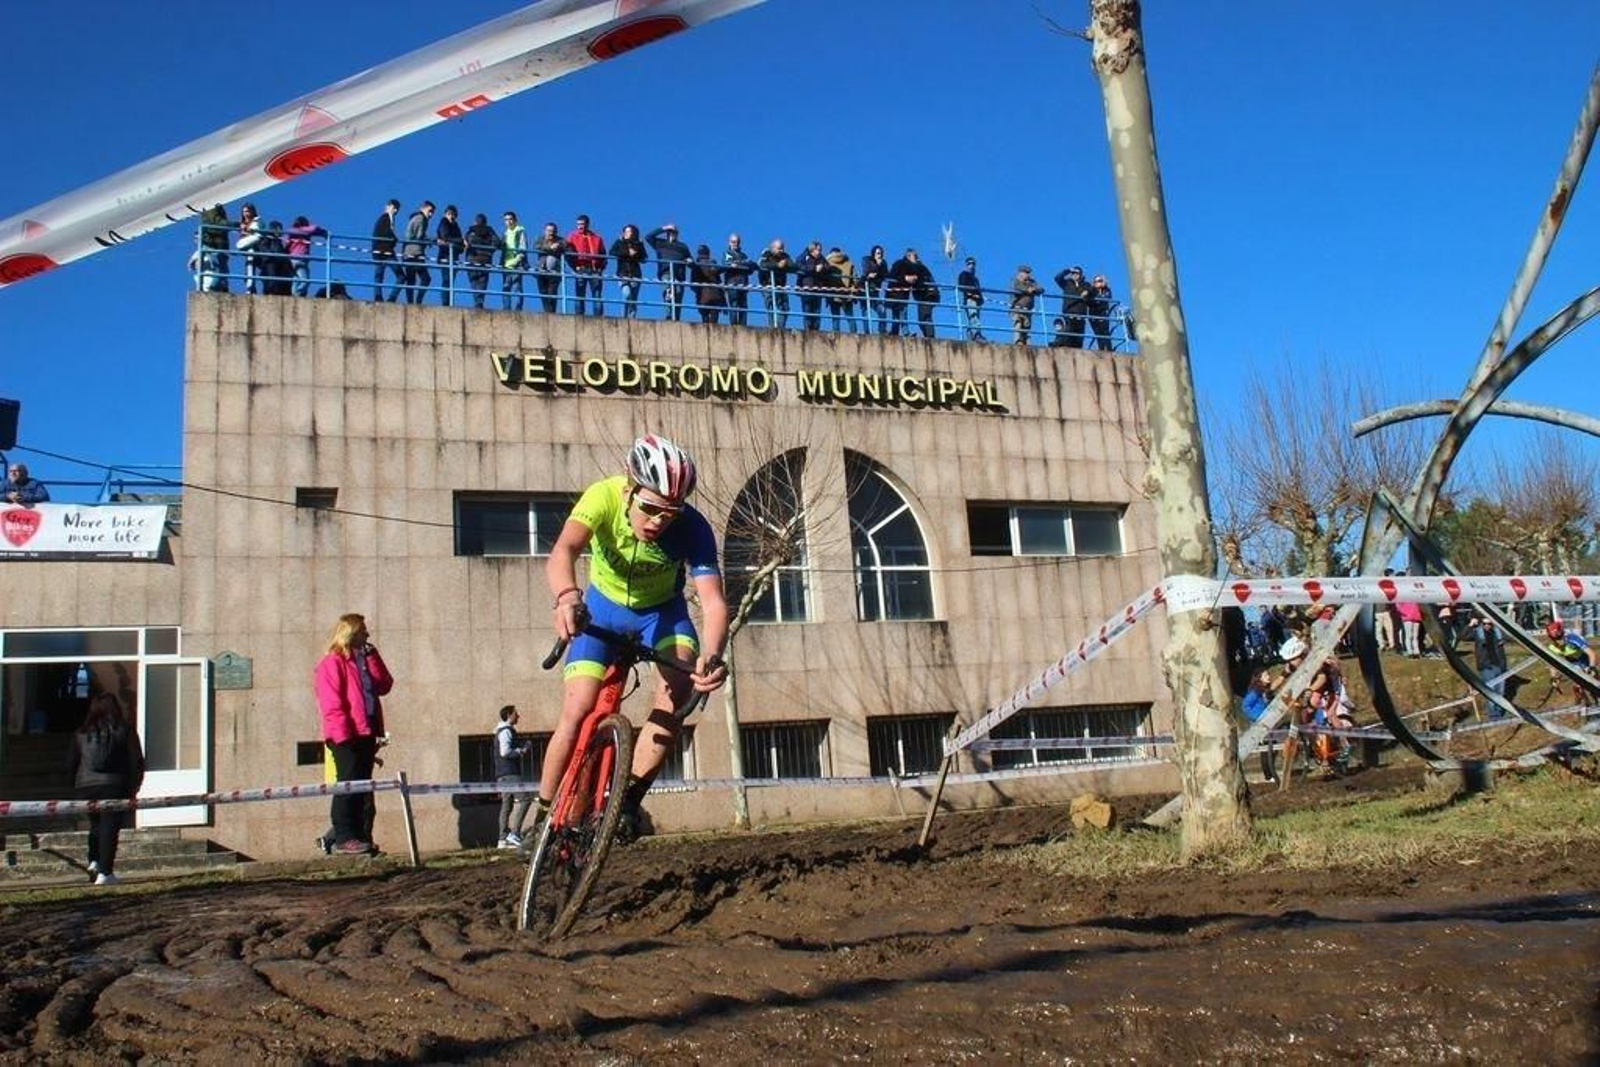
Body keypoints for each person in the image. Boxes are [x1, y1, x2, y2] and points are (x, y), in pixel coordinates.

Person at [539, 435, 729, 839]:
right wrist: (567, 597)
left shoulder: (693, 527)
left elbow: (713, 604)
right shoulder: (603, 497)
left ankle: (626, 801)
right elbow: (563, 551)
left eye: (670, 513)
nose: (659, 521)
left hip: (661, 615)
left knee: (677, 692)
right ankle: (542, 819)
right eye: (650, 508)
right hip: (602, 609)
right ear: (629, 489)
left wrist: (712, 655)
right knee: (578, 708)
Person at [313, 613, 394, 855]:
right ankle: (343, 837)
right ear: (351, 633)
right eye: (363, 631)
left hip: (366, 732)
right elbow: (332, 703)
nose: (367, 634)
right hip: (346, 735)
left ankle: (359, 836)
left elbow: (384, 685)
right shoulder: (332, 663)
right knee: (347, 785)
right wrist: (342, 734)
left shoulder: (363, 662)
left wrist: (373, 657)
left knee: (361, 788)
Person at [69, 692, 144, 886]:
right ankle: (105, 872)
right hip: (114, 786)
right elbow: (136, 760)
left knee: (95, 824)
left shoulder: (81, 733)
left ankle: (94, 860)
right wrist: (134, 786)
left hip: (85, 786)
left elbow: (72, 763)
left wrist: (75, 787)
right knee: (109, 828)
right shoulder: (125, 730)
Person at [494, 705, 533, 848]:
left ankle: (503, 838)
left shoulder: (500, 731)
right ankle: (515, 833)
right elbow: (505, 752)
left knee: (507, 804)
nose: (518, 716)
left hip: (502, 774)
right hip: (510, 773)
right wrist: (521, 750)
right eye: (516, 714)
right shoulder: (506, 731)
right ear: (509, 715)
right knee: (526, 799)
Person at [1543, 618, 1597, 706]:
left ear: (1563, 634)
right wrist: (1554, 678)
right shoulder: (1552, 647)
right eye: (1555, 639)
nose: (1559, 642)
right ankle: (1583, 703)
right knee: (1578, 686)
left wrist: (1592, 668)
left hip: (1585, 659)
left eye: (1560, 638)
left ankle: (1594, 697)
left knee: (1594, 682)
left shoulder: (1573, 639)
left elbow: (1591, 654)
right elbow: (1552, 665)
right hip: (1572, 663)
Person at [646, 224, 693, 321]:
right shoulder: (660, 243)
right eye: (670, 231)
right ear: (666, 233)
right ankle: (668, 316)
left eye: (674, 232)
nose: (672, 234)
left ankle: (676, 319)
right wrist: (663, 228)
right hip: (666, 272)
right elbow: (648, 237)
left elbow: (691, 261)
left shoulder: (683, 246)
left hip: (679, 276)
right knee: (668, 292)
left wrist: (690, 261)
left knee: (678, 295)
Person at [887, 248, 935, 338]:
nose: (917, 258)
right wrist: (905, 278)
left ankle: (894, 333)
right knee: (901, 312)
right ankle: (905, 333)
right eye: (915, 256)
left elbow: (920, 278)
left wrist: (915, 278)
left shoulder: (914, 267)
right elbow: (892, 275)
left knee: (897, 314)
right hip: (895, 293)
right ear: (908, 256)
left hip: (903, 294)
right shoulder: (899, 263)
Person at [1240, 668, 1278, 783]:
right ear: (1259, 678)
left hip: (1268, 724)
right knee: (1266, 750)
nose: (1269, 677)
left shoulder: (1264, 692)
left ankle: (1271, 773)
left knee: (1272, 749)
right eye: (1265, 675)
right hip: (1260, 725)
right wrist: (1258, 717)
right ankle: (1268, 776)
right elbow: (1245, 706)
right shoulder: (1254, 692)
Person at [566, 214, 606, 316]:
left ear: (587, 224)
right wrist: (574, 266)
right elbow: (568, 253)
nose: (580, 226)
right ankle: (579, 317)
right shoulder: (572, 237)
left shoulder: (597, 238)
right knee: (580, 294)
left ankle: (598, 318)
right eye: (578, 224)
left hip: (594, 269)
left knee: (597, 294)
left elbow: (603, 255)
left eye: (582, 224)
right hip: (580, 268)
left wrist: (600, 268)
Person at [1469, 614, 1509, 709]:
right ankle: (1493, 714)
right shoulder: (1477, 633)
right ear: (1481, 624)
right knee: (1491, 692)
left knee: (1500, 692)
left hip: (1499, 666)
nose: (1487, 625)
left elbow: (1509, 636)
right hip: (1486, 667)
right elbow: (1462, 636)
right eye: (1484, 623)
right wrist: (1470, 625)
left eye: (1489, 623)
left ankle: (1500, 712)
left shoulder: (1498, 632)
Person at [399, 201, 435, 305]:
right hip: (415, 253)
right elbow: (417, 236)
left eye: (432, 212)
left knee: (411, 279)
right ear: (423, 208)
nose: (431, 214)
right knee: (425, 279)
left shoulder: (416, 218)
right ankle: (417, 301)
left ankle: (411, 302)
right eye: (430, 211)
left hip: (409, 252)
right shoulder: (421, 218)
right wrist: (429, 240)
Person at [284, 216, 328, 298]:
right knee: (305, 280)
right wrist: (324, 232)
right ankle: (297, 294)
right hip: (299, 258)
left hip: (294, 258)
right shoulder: (302, 231)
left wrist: (322, 233)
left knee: (296, 279)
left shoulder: (292, 232)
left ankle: (294, 294)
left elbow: (285, 242)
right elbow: (314, 228)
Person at [610, 224, 647, 319]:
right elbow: (612, 252)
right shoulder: (619, 242)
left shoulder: (638, 243)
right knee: (626, 294)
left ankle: (632, 318)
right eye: (626, 231)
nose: (627, 233)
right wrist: (627, 253)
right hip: (622, 273)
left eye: (629, 231)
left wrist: (635, 254)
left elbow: (644, 258)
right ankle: (624, 317)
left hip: (635, 274)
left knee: (633, 299)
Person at [463, 213, 499, 309]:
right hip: (485, 259)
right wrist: (490, 252)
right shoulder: (490, 231)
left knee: (473, 281)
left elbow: (465, 242)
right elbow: (497, 242)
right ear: (486, 222)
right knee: (482, 282)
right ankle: (479, 302)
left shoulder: (471, 231)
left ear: (475, 221)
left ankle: (477, 301)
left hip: (472, 259)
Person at [756, 238, 794, 329]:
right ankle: (772, 328)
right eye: (779, 248)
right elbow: (761, 264)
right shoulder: (766, 255)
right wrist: (776, 265)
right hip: (768, 286)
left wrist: (785, 264)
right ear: (773, 248)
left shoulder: (785, 256)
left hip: (780, 286)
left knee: (784, 308)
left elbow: (794, 265)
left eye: (783, 248)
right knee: (771, 308)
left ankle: (780, 328)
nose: (782, 251)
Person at [370, 199, 402, 302]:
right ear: (388, 206)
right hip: (386, 252)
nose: (395, 211)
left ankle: (378, 296)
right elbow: (387, 234)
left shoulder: (383, 219)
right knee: (401, 276)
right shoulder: (386, 218)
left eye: (397, 209)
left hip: (378, 251)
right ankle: (391, 298)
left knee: (379, 275)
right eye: (394, 208)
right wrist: (394, 240)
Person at [434, 205, 466, 305]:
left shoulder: (456, 226)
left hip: (453, 257)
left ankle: (449, 302)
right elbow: (445, 237)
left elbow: (460, 245)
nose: (451, 216)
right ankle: (445, 303)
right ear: (445, 214)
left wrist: (461, 244)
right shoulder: (444, 222)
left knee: (450, 281)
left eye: (453, 215)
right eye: (449, 214)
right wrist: (461, 241)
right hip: (445, 257)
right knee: (447, 280)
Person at [532, 222, 567, 314]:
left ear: (556, 232)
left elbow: (565, 247)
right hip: (541, 270)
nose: (551, 233)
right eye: (549, 231)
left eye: (553, 231)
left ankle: (551, 313)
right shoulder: (540, 239)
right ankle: (547, 312)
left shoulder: (561, 240)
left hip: (554, 272)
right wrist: (550, 247)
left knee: (552, 293)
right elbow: (537, 247)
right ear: (545, 231)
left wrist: (558, 247)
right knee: (543, 293)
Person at [197, 203, 232, 292]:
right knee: (218, 269)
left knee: (222, 270)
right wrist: (236, 224)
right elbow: (218, 223)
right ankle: (214, 288)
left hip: (219, 246)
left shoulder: (213, 206)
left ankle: (221, 288)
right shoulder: (211, 205)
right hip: (214, 246)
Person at [1053, 265, 1090, 348]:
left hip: (1081, 314)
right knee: (1069, 335)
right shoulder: (1067, 283)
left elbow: (1092, 290)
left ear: (1081, 274)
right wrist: (1068, 270)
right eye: (1073, 273)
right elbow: (1057, 278)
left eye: (1077, 273)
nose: (1074, 274)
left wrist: (1087, 291)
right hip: (1069, 313)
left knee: (1079, 337)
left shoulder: (1086, 285)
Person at [722, 233, 754, 326]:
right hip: (732, 283)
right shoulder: (727, 253)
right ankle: (734, 326)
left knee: (743, 306)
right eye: (733, 242)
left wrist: (740, 265)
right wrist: (742, 264)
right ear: (729, 242)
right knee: (734, 304)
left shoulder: (744, 255)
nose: (735, 244)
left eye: (737, 242)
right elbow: (727, 264)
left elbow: (750, 268)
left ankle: (743, 325)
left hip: (743, 284)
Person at [795, 240, 827, 330]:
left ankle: (816, 331)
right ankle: (807, 330)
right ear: (812, 250)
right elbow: (798, 265)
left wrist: (822, 268)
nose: (819, 252)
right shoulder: (804, 256)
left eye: (820, 250)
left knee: (817, 312)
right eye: (818, 250)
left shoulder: (821, 258)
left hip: (818, 289)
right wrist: (814, 268)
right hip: (806, 289)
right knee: (807, 311)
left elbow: (828, 266)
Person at [690, 245, 726, 325]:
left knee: (705, 318)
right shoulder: (713, 264)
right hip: (715, 294)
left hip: (702, 295)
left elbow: (693, 283)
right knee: (714, 319)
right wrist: (724, 301)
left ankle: (706, 328)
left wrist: (697, 291)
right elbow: (719, 282)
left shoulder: (696, 265)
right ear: (708, 253)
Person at [1010, 265, 1045, 346]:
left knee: (1027, 325)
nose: (1028, 275)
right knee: (1018, 323)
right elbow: (1015, 289)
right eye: (1026, 273)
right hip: (1017, 307)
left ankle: (1026, 342)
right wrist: (1026, 290)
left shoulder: (1031, 282)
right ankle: (1018, 341)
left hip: (1028, 308)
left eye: (1028, 273)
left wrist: (1034, 289)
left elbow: (1041, 289)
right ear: (1020, 273)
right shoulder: (1015, 280)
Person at [500, 211, 528, 311]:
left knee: (517, 287)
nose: (508, 221)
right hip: (506, 264)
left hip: (517, 263)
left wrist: (518, 259)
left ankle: (518, 309)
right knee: (506, 287)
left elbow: (523, 246)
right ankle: (506, 309)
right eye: (506, 220)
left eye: (510, 219)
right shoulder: (505, 233)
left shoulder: (520, 231)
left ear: (515, 220)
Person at [825, 247, 856, 332]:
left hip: (833, 294)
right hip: (847, 294)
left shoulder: (827, 263)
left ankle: (836, 336)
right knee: (850, 317)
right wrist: (852, 289)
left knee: (835, 318)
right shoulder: (849, 263)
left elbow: (824, 279)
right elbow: (855, 279)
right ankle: (855, 335)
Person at [860, 245, 889, 333]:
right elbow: (867, 272)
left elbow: (886, 274)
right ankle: (867, 332)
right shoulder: (867, 260)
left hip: (875, 291)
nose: (879, 255)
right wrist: (877, 266)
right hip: (864, 289)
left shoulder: (883, 263)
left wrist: (880, 266)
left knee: (882, 310)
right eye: (877, 253)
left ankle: (882, 330)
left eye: (881, 253)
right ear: (873, 253)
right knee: (865, 311)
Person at [236, 202, 263, 295]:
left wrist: (248, 231)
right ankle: (250, 288)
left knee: (251, 265)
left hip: (258, 246)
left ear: (252, 212)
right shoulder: (243, 224)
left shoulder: (257, 220)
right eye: (244, 212)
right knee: (249, 267)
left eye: (247, 211)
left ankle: (250, 288)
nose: (245, 214)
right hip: (250, 248)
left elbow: (259, 231)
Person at [956, 256, 985, 342]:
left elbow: (978, 290)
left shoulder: (975, 279)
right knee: (973, 316)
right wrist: (971, 294)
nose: (971, 265)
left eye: (973, 264)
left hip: (977, 301)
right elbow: (961, 287)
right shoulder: (963, 274)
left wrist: (980, 299)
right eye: (969, 264)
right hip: (969, 299)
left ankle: (971, 335)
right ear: (966, 265)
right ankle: (976, 335)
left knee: (974, 318)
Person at [1088, 273, 1117, 350]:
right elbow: (1089, 300)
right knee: (1098, 333)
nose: (1098, 283)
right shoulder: (1091, 290)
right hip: (1093, 314)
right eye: (1096, 281)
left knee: (1105, 332)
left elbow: (1108, 297)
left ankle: (1109, 349)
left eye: (1100, 281)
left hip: (1103, 313)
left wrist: (1104, 287)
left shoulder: (1106, 290)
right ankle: (1101, 349)